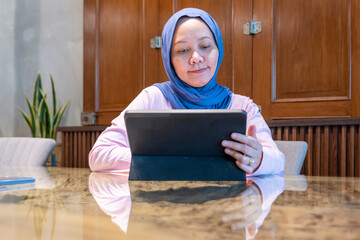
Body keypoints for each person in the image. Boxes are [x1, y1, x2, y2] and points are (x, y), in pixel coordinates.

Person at [89, 8, 285, 176]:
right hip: (161, 209)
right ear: (169, 59)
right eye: (183, 50)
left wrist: (258, 159)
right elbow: (98, 155)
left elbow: (278, 161)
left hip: (227, 212)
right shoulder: (153, 99)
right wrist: (158, 157)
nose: (196, 57)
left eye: (206, 46)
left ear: (218, 49)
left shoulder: (241, 106)